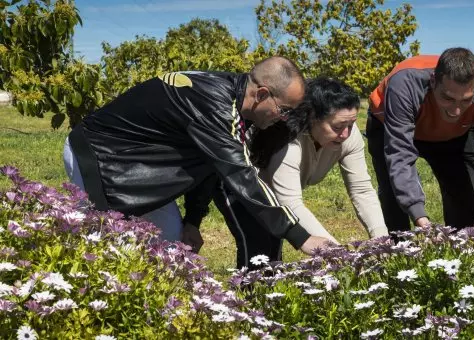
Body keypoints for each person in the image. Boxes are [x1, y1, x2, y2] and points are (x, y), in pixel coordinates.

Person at [62, 56, 333, 268]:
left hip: (137, 166)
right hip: (99, 158)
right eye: (283, 109)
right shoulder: (214, 105)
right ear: (262, 94)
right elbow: (240, 174)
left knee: (169, 250)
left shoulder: (229, 98)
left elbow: (208, 164)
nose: (284, 118)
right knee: (96, 249)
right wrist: (301, 237)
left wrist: (192, 221)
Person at [365, 48, 474, 232]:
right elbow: (400, 154)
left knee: (467, 206)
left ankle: (461, 253)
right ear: (433, 81)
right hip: (389, 125)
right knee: (394, 198)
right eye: (448, 98)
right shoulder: (405, 84)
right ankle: (398, 251)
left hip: (454, 134)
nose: (456, 110)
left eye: (466, 101)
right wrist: (420, 218)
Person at [253, 77, 389, 244]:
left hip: (277, 201)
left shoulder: (349, 136)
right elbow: (291, 204)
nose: (345, 134)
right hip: (244, 188)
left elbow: (361, 190)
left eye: (352, 124)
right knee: (260, 246)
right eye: (337, 127)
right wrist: (334, 252)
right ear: (313, 119)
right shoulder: (288, 141)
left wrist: (381, 238)